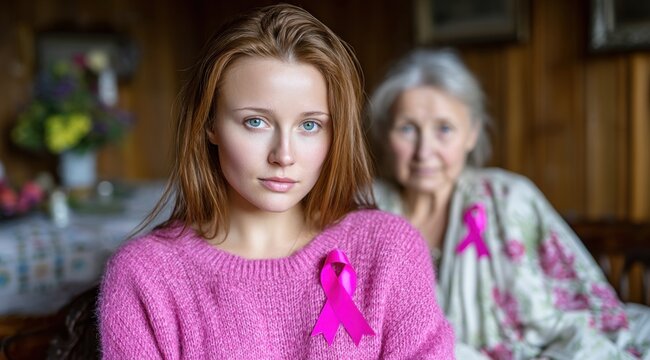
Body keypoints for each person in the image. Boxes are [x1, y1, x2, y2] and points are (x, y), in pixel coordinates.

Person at [98, 5, 454, 359]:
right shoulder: (145, 276)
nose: (284, 155)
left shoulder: (390, 251)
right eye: (256, 122)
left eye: (310, 125)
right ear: (210, 125)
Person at [368, 49, 650, 359]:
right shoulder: (365, 208)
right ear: (385, 134)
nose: (424, 151)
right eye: (407, 129)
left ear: (472, 134)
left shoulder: (509, 197)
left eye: (444, 129)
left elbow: (582, 296)